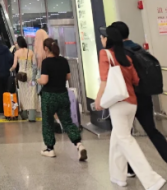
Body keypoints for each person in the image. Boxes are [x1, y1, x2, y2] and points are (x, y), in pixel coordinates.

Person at [95, 26, 165, 189]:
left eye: (102, 37)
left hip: (118, 104)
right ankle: (118, 176)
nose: (101, 39)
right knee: (117, 138)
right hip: (132, 102)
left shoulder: (105, 54)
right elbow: (136, 80)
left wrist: (98, 99)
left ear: (108, 39)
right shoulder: (126, 57)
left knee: (125, 140)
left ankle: (152, 180)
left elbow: (104, 80)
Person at [111, 21, 167, 175]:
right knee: (152, 130)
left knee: (124, 135)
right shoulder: (138, 48)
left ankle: (130, 169)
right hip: (144, 96)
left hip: (128, 97)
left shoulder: (119, 52)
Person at [37, 38, 87, 161]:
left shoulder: (46, 62)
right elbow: (68, 76)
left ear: (46, 48)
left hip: (49, 96)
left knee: (48, 122)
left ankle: (50, 149)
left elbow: (44, 80)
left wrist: (37, 80)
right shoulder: (63, 60)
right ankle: (79, 144)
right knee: (67, 121)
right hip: (63, 94)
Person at [11, 36, 39, 121]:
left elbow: (14, 65)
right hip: (30, 75)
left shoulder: (17, 53)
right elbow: (35, 65)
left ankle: (24, 114)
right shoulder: (31, 52)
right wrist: (34, 77)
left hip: (21, 76)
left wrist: (10, 69)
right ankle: (32, 116)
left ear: (18, 44)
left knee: (23, 94)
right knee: (31, 93)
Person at [0, 36, 14, 114]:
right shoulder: (6, 49)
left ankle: (0, 108)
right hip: (6, 74)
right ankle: (6, 107)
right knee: (6, 90)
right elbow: (11, 59)